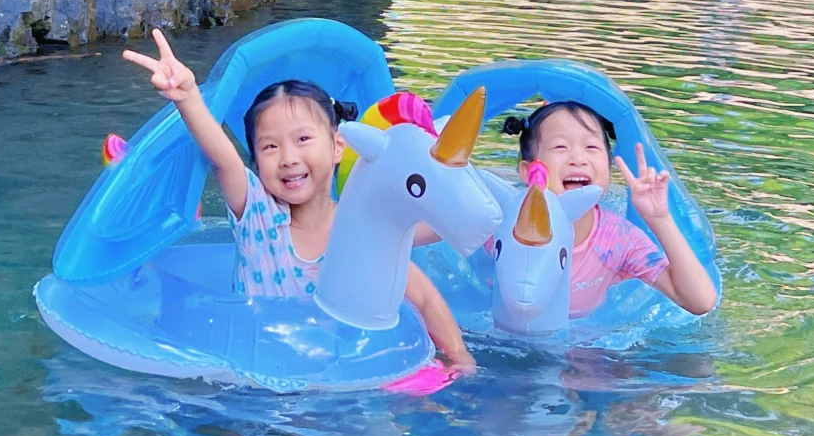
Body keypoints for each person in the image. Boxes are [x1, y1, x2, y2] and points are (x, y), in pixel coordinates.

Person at [123, 29, 475, 370]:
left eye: (303, 139)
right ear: (257, 163)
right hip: (259, 373)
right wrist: (187, 97)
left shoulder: (361, 231)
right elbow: (223, 158)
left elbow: (425, 298)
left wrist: (460, 360)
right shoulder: (257, 214)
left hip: (336, 376)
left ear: (338, 146)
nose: (289, 157)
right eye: (270, 146)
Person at [502, 102, 717, 317]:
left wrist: (659, 218)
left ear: (609, 166)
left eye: (591, 147)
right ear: (529, 171)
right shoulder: (503, 223)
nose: (578, 159)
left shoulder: (617, 240)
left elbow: (701, 302)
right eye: (560, 147)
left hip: (585, 346)